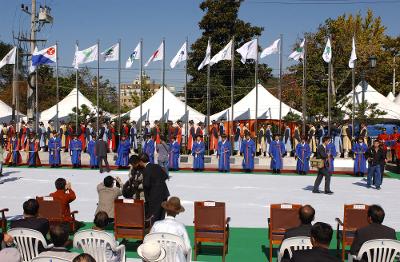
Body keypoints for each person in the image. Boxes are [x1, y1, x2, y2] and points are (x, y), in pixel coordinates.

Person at [150, 197, 191, 262]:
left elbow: (149, 242)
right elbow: (187, 248)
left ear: (166, 210)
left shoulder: (156, 225)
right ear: (178, 212)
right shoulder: (181, 227)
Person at [138, 153, 170, 224]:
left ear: (141, 161)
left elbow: (146, 185)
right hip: (164, 193)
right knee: (162, 215)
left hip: (154, 195)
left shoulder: (146, 170)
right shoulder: (157, 166)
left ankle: (155, 232)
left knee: (154, 216)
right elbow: (165, 176)